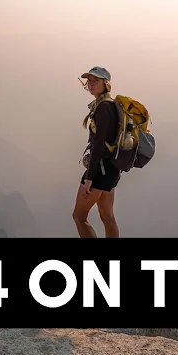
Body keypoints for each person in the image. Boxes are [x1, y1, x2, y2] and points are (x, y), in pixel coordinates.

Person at [73, 66, 121, 238]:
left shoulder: (103, 108)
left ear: (106, 84)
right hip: (112, 168)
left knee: (78, 216)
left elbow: (98, 145)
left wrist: (89, 178)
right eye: (89, 81)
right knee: (107, 217)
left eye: (96, 81)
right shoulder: (111, 104)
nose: (91, 84)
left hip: (99, 170)